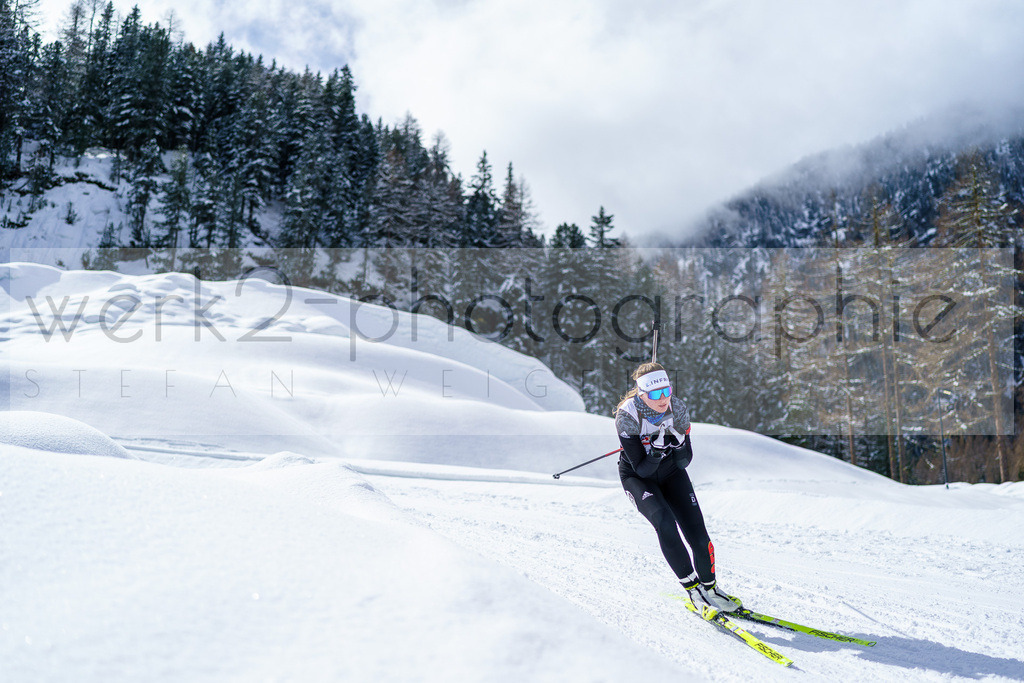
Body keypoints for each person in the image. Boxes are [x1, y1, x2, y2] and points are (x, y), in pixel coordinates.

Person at [615, 361, 737, 615]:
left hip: (672, 472)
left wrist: (679, 445)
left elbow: (684, 461)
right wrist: (658, 450)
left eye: (667, 391)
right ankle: (693, 590)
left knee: (699, 535)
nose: (663, 400)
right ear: (641, 394)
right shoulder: (627, 415)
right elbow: (642, 469)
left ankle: (711, 588)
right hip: (639, 477)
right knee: (665, 522)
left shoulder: (677, 408)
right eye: (656, 394)